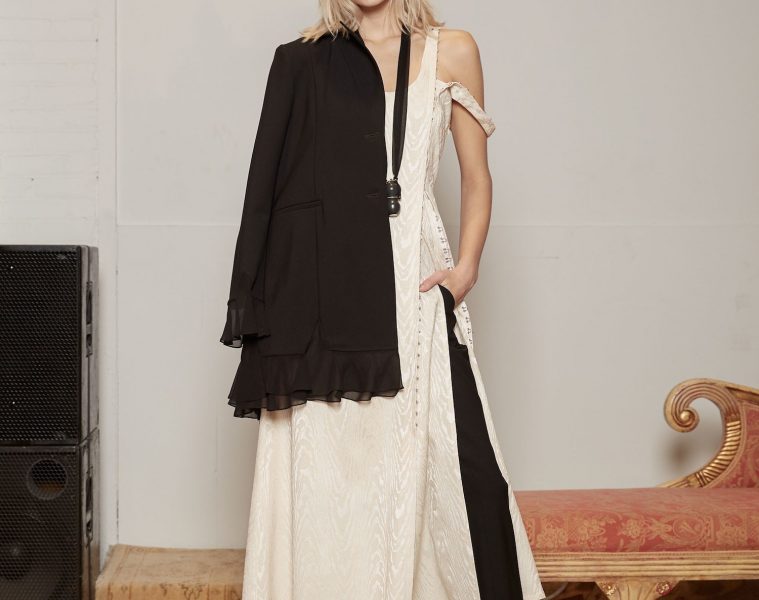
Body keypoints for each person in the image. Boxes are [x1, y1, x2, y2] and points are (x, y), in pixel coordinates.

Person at [220, 1, 546, 598]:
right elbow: (266, 193)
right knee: (332, 473)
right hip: (322, 292)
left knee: (452, 460)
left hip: (414, 284)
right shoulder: (305, 61)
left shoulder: (453, 50)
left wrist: (465, 268)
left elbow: (476, 175)